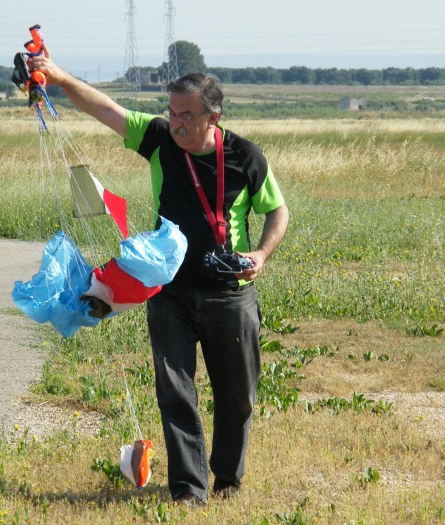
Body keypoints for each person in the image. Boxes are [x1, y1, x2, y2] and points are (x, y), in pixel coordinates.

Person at [29, 46, 289, 506]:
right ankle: (189, 489)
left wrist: (262, 254)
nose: (176, 123)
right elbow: (102, 107)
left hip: (232, 294)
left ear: (214, 115)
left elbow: (278, 211)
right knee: (175, 391)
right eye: (172, 112)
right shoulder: (158, 139)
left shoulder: (247, 156)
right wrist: (57, 75)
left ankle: (227, 479)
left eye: (187, 115)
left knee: (239, 396)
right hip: (169, 293)